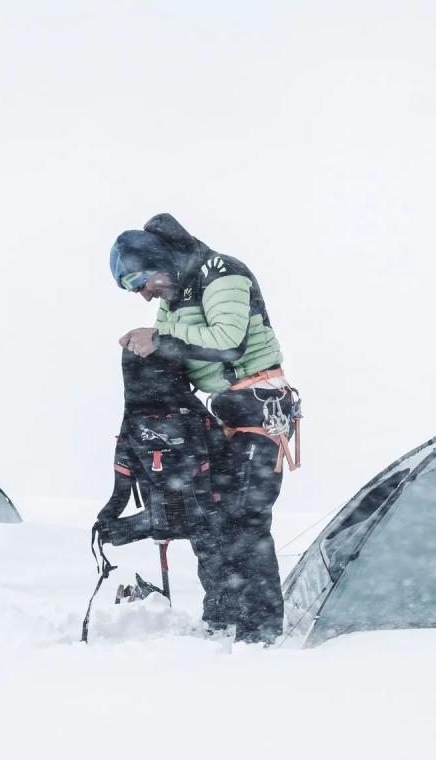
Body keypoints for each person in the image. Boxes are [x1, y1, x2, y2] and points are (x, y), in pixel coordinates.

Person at [108, 213, 299, 644]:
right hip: (224, 412)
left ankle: (261, 633)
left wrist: (159, 334)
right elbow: (177, 351)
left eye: (139, 280)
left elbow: (227, 340)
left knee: (247, 520)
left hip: (260, 404)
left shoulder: (223, 274)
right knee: (210, 515)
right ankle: (223, 619)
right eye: (131, 288)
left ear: (159, 259)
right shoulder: (172, 296)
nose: (141, 294)